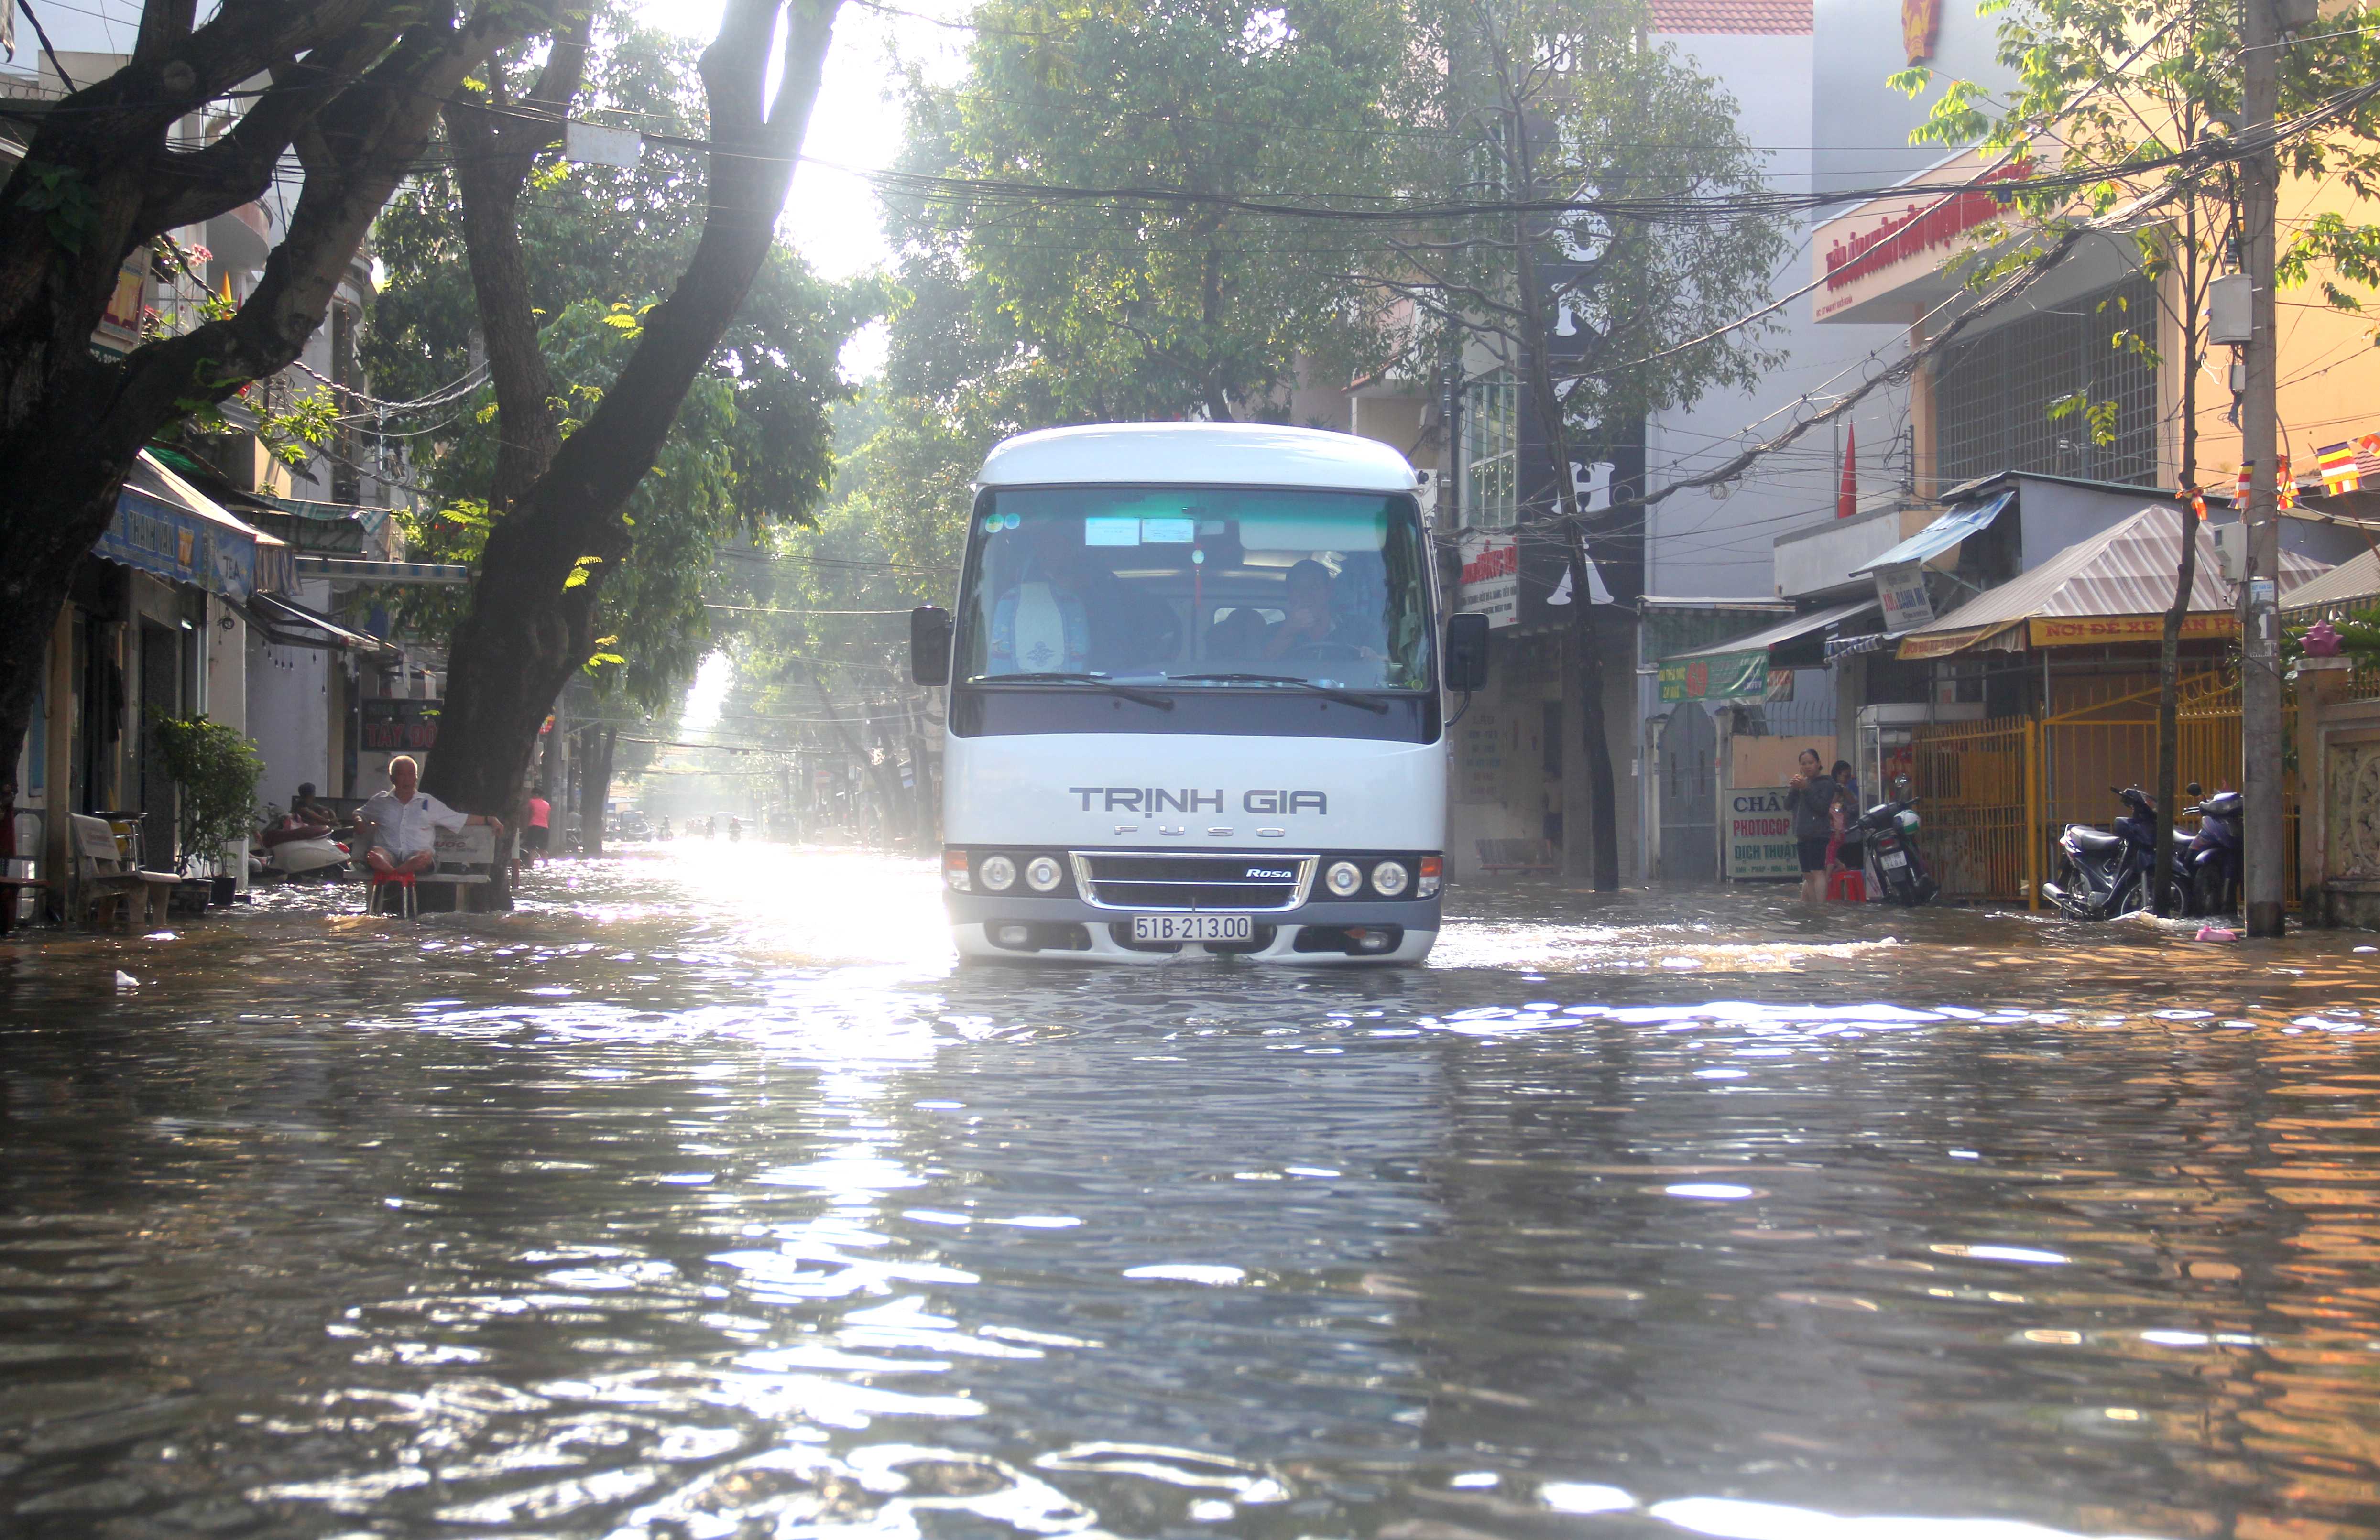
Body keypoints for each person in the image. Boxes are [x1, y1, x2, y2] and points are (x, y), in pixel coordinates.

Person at [356, 755, 501, 878]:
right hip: (388, 854)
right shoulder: (381, 801)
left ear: (416, 778)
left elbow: (458, 819)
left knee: (423, 858)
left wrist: (489, 819)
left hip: (417, 856)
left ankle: (396, 874)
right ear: (392, 778)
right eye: (402, 775)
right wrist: (359, 821)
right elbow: (360, 814)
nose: (407, 780)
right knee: (376, 856)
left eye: (411, 774)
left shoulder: (428, 803)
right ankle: (396, 873)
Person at [1787, 748, 1836, 902]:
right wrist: (1795, 789)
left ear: (1819, 764)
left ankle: (1820, 907)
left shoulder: (1827, 783)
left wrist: (1807, 789)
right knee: (1807, 874)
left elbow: (1821, 808)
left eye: (1811, 763)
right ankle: (1811, 907)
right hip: (1802, 833)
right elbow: (1787, 805)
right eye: (1804, 764)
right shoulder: (1802, 783)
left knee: (1817, 871)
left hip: (1818, 833)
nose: (1807, 766)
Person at [522, 790, 551, 867]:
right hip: (545, 828)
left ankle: (531, 865)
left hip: (534, 826)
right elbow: (547, 819)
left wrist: (525, 827)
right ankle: (546, 865)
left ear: (536, 794)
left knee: (532, 848)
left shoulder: (532, 802)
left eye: (532, 795)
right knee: (543, 849)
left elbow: (528, 815)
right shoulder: (547, 804)